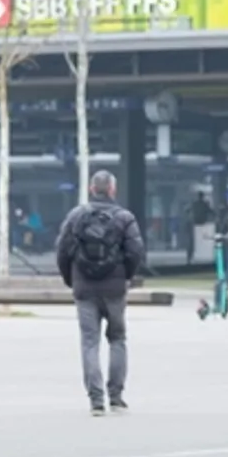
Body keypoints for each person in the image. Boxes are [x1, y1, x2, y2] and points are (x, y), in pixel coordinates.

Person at [55, 170, 145, 417]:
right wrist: (125, 275)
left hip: (84, 288)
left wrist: (71, 279)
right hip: (114, 288)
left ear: (92, 189)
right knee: (117, 339)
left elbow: (62, 251)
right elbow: (136, 251)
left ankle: (96, 400)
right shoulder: (124, 218)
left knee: (89, 342)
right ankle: (116, 397)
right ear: (112, 190)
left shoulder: (76, 216)